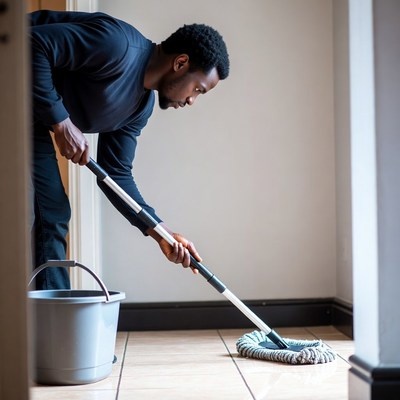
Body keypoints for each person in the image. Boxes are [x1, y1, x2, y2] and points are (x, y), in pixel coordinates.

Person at [29, 10, 230, 290]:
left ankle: (50, 322)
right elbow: (30, 44)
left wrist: (161, 232)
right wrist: (61, 122)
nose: (192, 101)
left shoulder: (139, 108)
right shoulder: (116, 45)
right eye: (198, 89)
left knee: (52, 212)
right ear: (181, 62)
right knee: (29, 208)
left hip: (30, 117)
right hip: (11, 87)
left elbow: (116, 174)